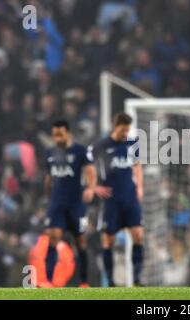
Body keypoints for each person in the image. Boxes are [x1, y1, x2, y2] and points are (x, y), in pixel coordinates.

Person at [89, 113, 144, 286]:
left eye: (128, 130)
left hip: (129, 198)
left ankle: (136, 280)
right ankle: (111, 283)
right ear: (115, 126)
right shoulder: (100, 146)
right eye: (123, 130)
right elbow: (85, 167)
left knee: (138, 235)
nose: (125, 133)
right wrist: (94, 187)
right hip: (110, 201)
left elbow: (137, 165)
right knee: (108, 240)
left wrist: (140, 186)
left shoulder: (132, 143)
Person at [44, 119, 98, 287]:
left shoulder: (80, 151)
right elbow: (48, 178)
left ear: (68, 133)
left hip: (75, 204)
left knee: (80, 240)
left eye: (60, 134)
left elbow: (90, 170)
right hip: (57, 204)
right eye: (54, 135)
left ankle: (84, 282)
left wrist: (91, 188)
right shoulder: (50, 153)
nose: (57, 138)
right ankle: (48, 282)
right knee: (53, 237)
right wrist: (49, 198)